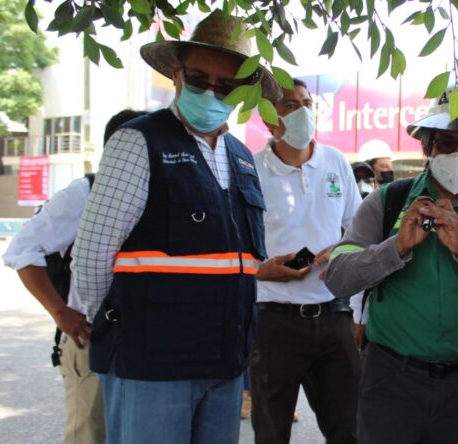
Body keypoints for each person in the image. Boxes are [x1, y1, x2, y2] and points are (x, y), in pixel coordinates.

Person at [72, 10, 285, 444]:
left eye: (224, 86)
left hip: (224, 366)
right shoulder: (138, 141)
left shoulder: (242, 157)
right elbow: (92, 254)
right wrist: (122, 325)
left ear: (242, 93)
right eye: (199, 78)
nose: (209, 92)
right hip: (152, 365)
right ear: (176, 73)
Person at [324, 87, 458, 443]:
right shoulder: (388, 200)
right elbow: (337, 277)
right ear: (428, 147)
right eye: (447, 142)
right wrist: (396, 248)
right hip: (390, 382)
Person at [2, 109, 145, 444]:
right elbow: (23, 250)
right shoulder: (84, 193)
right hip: (92, 338)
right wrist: (60, 311)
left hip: (144, 343)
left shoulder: (153, 196)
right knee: (90, 436)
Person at [250, 78, 362, 444]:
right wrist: (259, 271)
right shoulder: (250, 171)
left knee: (350, 429)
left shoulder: (336, 162)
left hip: (334, 317)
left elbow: (358, 230)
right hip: (273, 323)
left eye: (307, 103)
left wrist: (339, 250)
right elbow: (237, 248)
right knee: (271, 432)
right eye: (289, 105)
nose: (302, 112)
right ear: (269, 117)